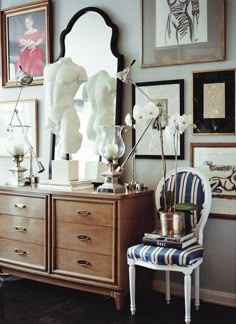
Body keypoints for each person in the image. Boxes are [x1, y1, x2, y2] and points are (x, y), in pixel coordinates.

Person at [43, 57, 87, 154]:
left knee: (67, 148)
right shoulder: (48, 68)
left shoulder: (78, 70)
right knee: (60, 151)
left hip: (67, 111)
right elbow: (46, 92)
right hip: (51, 113)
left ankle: (76, 137)